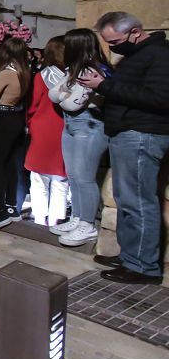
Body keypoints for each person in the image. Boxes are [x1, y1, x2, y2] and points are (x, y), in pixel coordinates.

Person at [79, 12, 169, 284]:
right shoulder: (137, 56)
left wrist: (104, 86)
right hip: (128, 134)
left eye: (114, 41)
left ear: (135, 32)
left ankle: (143, 267)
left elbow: (160, 99)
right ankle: (131, 256)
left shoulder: (159, 55)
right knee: (127, 200)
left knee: (139, 202)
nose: (112, 47)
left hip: (143, 134)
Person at [47, 29, 111, 247]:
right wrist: (64, 91)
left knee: (85, 178)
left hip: (89, 127)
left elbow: (70, 103)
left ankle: (88, 224)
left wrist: (64, 92)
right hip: (72, 126)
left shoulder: (93, 71)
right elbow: (53, 95)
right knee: (73, 175)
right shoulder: (74, 70)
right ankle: (77, 217)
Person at [0, 37, 32, 231]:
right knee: (10, 162)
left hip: (3, 118)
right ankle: (11, 207)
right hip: (16, 118)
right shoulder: (24, 71)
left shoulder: (7, 73)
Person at [24, 37, 68, 227]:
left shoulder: (42, 75)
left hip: (42, 127)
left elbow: (33, 105)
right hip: (63, 127)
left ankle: (40, 216)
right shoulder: (71, 75)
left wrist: (30, 122)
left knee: (38, 177)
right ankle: (57, 218)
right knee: (60, 177)